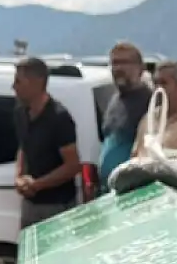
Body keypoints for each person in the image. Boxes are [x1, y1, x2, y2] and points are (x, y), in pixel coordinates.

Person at [11, 57, 82, 227]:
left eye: (19, 82)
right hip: (30, 204)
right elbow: (24, 147)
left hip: (57, 206)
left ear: (37, 82)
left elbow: (72, 166)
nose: (14, 87)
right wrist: (19, 177)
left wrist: (37, 185)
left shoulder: (59, 117)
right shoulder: (21, 113)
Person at [129, 59, 177, 169]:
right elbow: (135, 156)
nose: (158, 89)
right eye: (155, 83)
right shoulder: (148, 118)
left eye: (163, 83)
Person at [96, 41, 153, 191]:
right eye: (115, 63)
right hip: (108, 188)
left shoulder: (150, 101)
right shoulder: (115, 100)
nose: (118, 68)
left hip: (132, 188)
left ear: (140, 68)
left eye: (125, 62)